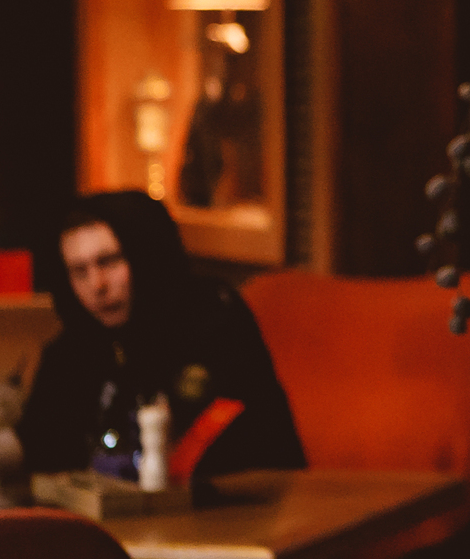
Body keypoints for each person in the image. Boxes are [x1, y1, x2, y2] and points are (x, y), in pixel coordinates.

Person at [18, 191, 305, 484]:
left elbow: (261, 449)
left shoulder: (212, 323)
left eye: (110, 261)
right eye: (79, 271)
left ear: (146, 256)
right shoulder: (73, 349)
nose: (97, 285)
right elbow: (38, 456)